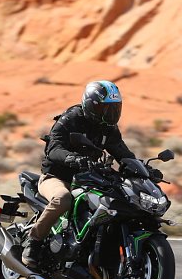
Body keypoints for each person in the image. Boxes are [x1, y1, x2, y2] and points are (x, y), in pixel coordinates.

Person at [23, 80, 136, 269]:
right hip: (57, 177)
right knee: (63, 199)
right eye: (105, 109)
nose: (110, 114)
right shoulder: (71, 118)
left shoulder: (108, 128)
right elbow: (53, 149)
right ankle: (33, 242)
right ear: (91, 105)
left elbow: (122, 152)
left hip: (87, 179)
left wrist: (141, 168)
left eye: (114, 109)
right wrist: (72, 158)